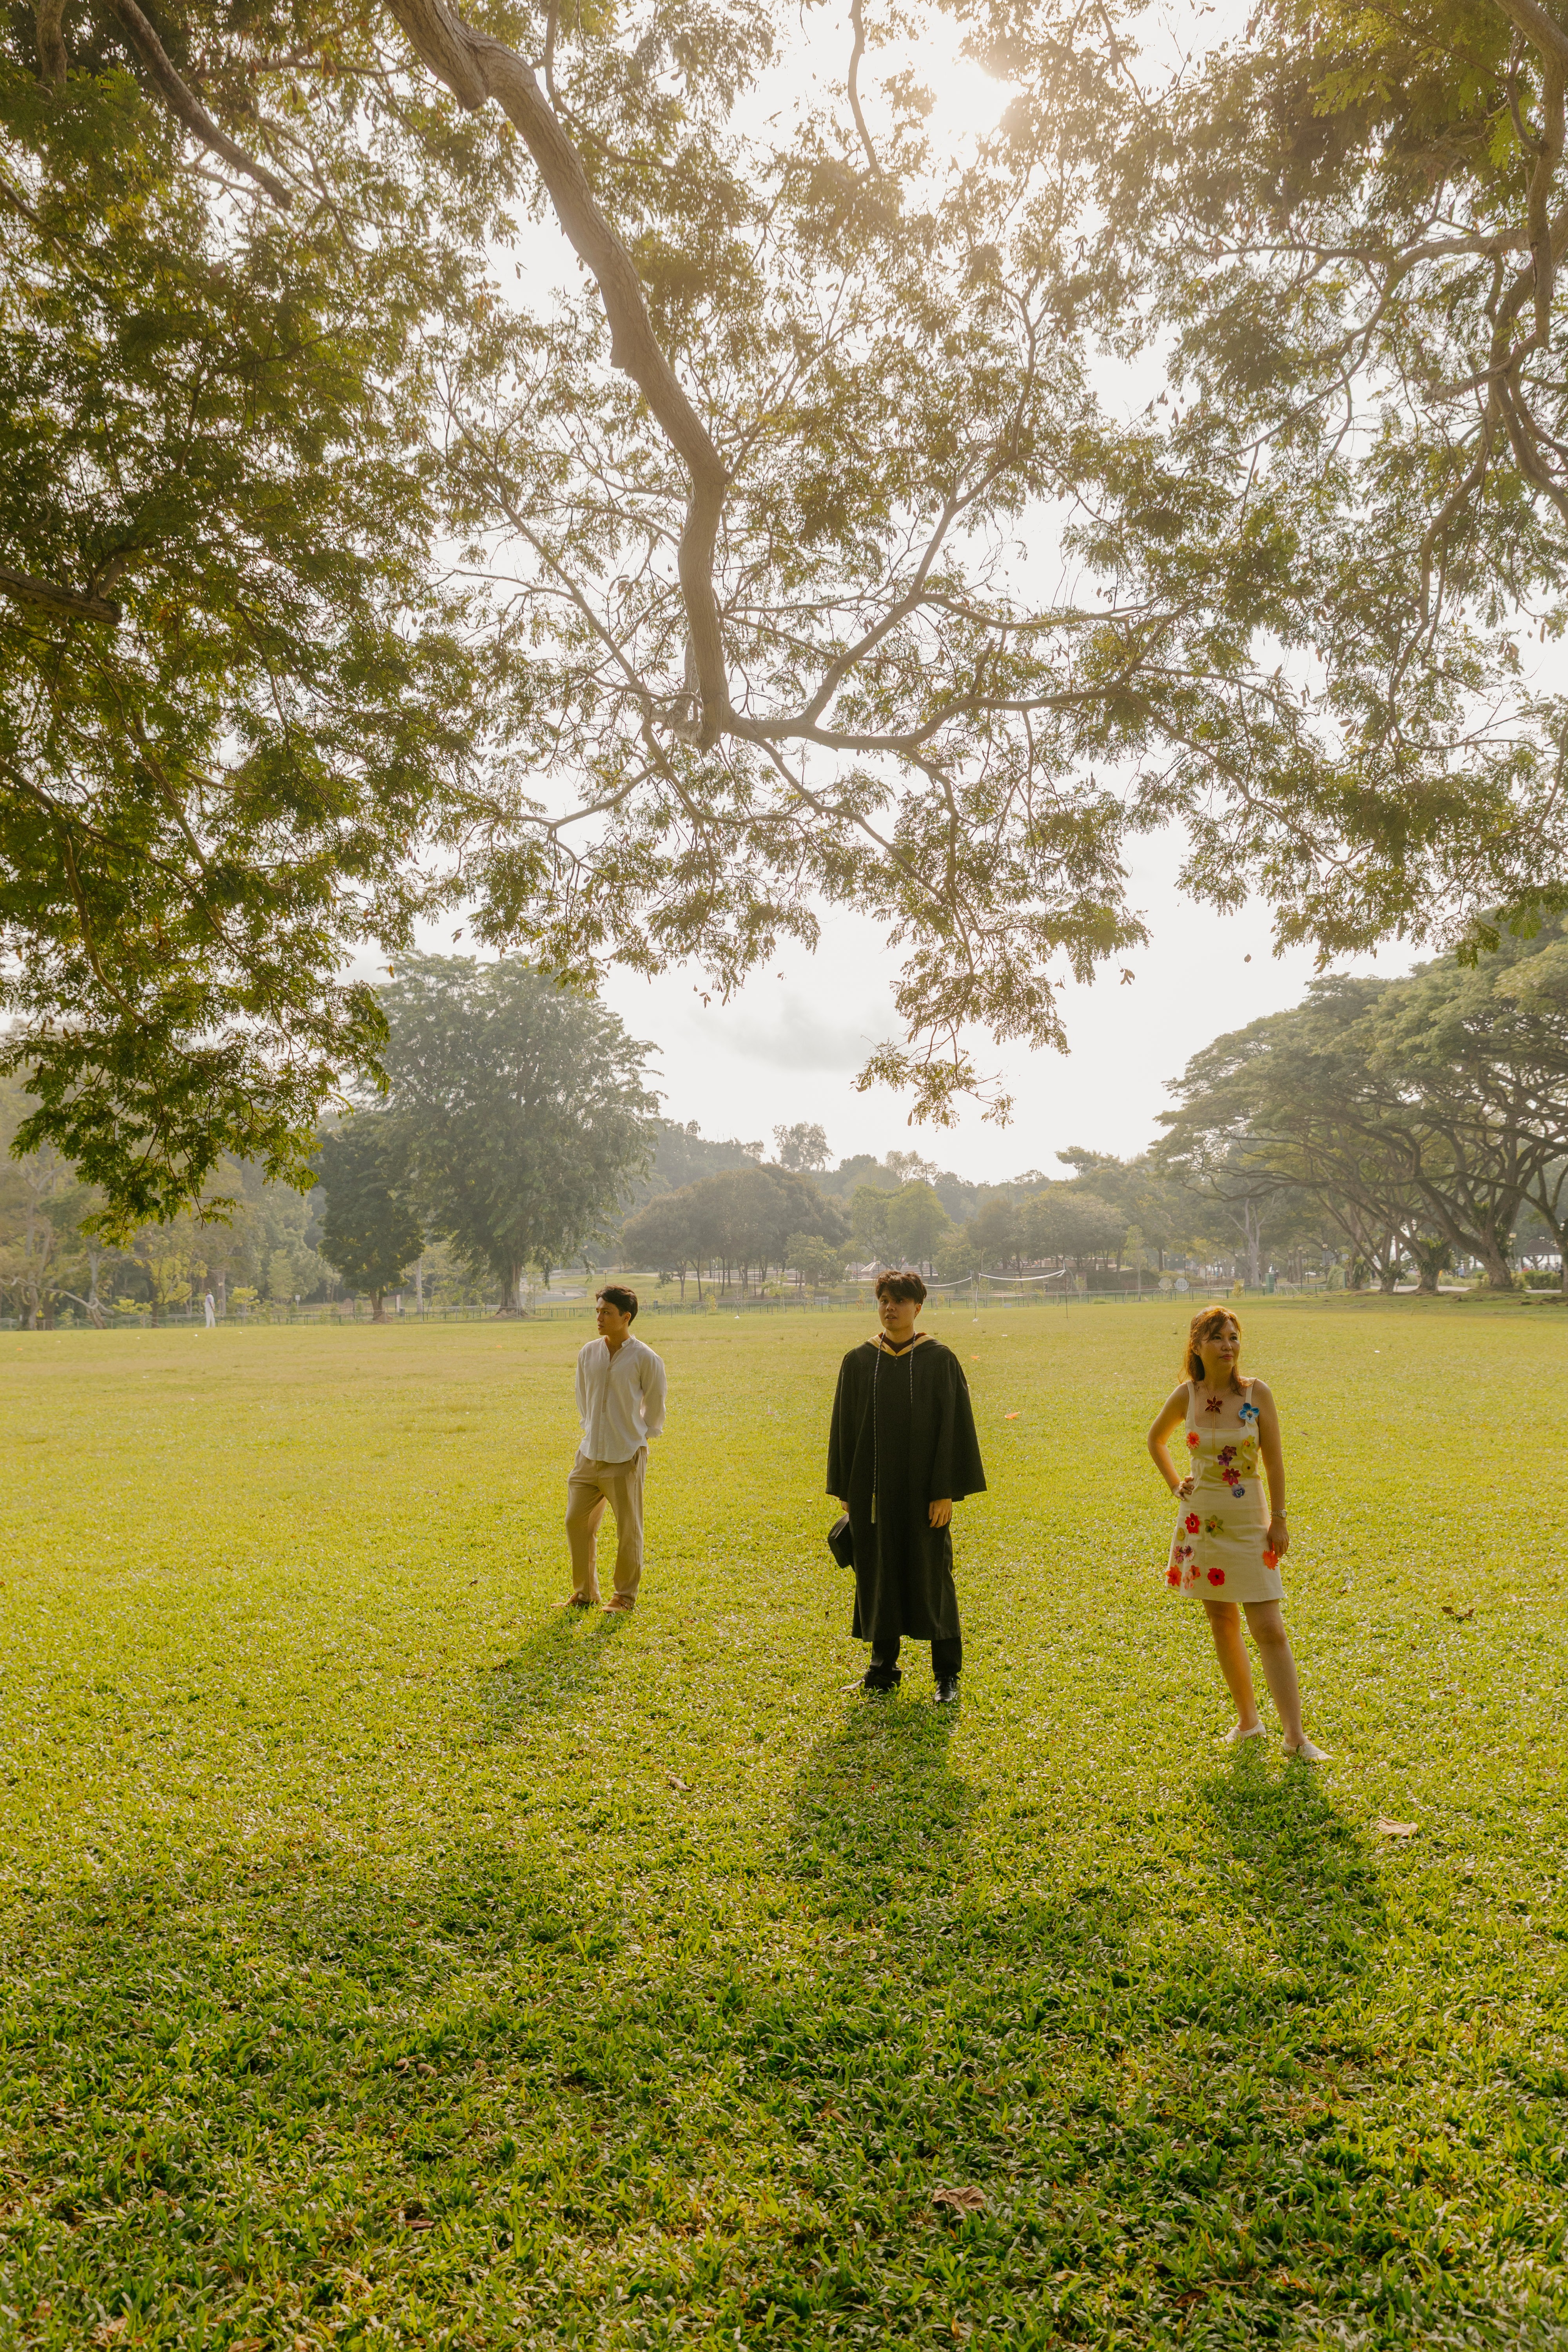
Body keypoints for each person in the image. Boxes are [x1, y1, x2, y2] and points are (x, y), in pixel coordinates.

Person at [1147, 1305, 1329, 1760]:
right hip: (1200, 1521)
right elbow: (1155, 1440)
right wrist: (1176, 1484)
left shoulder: (1255, 1392)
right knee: (1221, 1622)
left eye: (1234, 1337)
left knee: (1269, 1626)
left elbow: (1274, 1461)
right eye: (1218, 1338)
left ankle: (1295, 1737)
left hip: (1250, 1517)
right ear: (1197, 1345)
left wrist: (1280, 1519)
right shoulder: (1185, 1396)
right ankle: (1248, 1723)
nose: (1229, 1346)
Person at [828, 1269, 986, 1702]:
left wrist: (944, 1492)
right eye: (883, 1300)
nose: (890, 1308)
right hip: (873, 1493)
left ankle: (946, 1675)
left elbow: (954, 1430)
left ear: (918, 1307)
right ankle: (882, 1668)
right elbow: (844, 1428)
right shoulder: (859, 1360)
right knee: (877, 1572)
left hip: (923, 1495)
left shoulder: (938, 1359)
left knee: (933, 1575)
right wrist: (845, 1488)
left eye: (899, 1301)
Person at [564, 1285, 667, 1612]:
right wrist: (593, 1430)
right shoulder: (588, 1352)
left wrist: (636, 1437)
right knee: (575, 1523)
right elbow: (584, 1399)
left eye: (606, 1312)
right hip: (589, 1454)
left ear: (626, 1317)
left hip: (625, 1456)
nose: (599, 1317)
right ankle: (585, 1594)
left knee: (628, 1530)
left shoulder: (646, 1358)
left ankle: (624, 1597)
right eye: (597, 1311)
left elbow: (655, 1407)